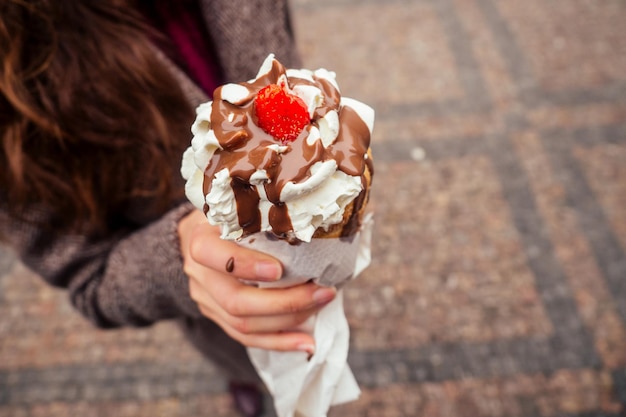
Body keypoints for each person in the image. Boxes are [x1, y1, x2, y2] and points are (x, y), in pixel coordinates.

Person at [0, 1, 338, 416]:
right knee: (249, 360)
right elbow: (89, 274)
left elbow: (277, 62)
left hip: (318, 247)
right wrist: (181, 250)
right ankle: (245, 382)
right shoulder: (16, 64)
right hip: (224, 318)